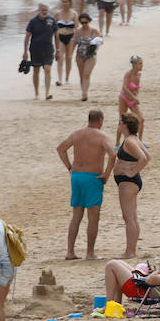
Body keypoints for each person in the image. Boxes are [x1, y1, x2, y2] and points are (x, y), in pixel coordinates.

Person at [56, 110, 116, 261]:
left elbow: (61, 148)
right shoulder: (102, 136)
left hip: (76, 176)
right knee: (93, 217)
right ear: (101, 120)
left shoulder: (77, 134)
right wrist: (107, 173)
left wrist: (69, 167)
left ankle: (70, 252)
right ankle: (90, 252)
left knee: (76, 215)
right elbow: (113, 154)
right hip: (92, 177)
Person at [105, 243, 160, 309]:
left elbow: (149, 281)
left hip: (140, 291)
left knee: (111, 265)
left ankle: (109, 305)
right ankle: (116, 304)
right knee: (118, 262)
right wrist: (157, 273)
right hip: (144, 290)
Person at [113, 115, 150, 259]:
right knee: (132, 217)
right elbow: (148, 156)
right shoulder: (134, 139)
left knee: (129, 218)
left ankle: (130, 251)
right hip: (130, 181)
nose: (118, 125)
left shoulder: (129, 141)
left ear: (126, 125)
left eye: (120, 123)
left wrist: (132, 171)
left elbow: (144, 158)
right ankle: (131, 250)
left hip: (128, 182)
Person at [24, 3, 57, 100]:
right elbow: (27, 37)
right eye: (42, 10)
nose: (44, 12)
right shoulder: (33, 21)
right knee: (36, 70)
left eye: (46, 10)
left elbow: (56, 35)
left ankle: (47, 93)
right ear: (38, 10)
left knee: (47, 69)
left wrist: (58, 50)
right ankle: (36, 93)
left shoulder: (52, 20)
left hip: (48, 49)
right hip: (35, 49)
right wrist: (25, 51)